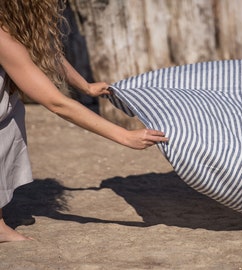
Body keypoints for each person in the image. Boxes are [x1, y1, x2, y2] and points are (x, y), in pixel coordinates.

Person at [0, 0, 168, 243]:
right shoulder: (3, 37)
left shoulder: (11, 27)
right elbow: (56, 103)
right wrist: (125, 136)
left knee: (10, 117)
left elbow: (41, 47)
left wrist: (85, 86)